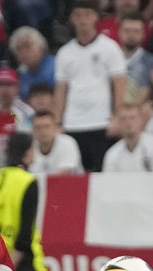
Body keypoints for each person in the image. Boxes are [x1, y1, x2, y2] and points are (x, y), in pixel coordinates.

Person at [54, 0, 127, 172]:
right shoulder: (65, 53)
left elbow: (119, 84)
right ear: (72, 19)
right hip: (73, 123)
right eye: (78, 15)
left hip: (101, 122)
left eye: (87, 15)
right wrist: (58, 120)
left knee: (102, 171)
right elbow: (61, 89)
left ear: (95, 17)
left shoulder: (109, 47)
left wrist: (117, 117)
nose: (83, 20)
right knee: (77, 173)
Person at [0, 133, 48, 271]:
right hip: (20, 265)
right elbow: (24, 235)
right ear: (28, 152)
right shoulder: (27, 180)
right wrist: (7, 270)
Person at [102, 102, 153, 172]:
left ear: (141, 120)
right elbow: (109, 181)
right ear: (118, 123)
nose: (128, 122)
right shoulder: (112, 154)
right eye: (123, 119)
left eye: (132, 118)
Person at [0, 67, 34, 147]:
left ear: (17, 88)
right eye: (0, 84)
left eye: (9, 84)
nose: (4, 90)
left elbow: (25, 139)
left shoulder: (25, 113)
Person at [117, 11, 153, 104]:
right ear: (119, 32)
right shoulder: (108, 58)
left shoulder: (152, 62)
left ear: (143, 34)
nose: (131, 35)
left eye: (136, 31)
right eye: (127, 30)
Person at [30, 109, 84, 175]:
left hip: (71, 184)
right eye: (38, 127)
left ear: (55, 128)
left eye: (47, 126)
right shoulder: (29, 147)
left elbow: (65, 174)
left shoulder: (67, 142)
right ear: (32, 130)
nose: (42, 131)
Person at [9, 26, 55, 102]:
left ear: (41, 47)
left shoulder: (57, 67)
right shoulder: (21, 76)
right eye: (19, 49)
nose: (23, 52)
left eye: (28, 46)